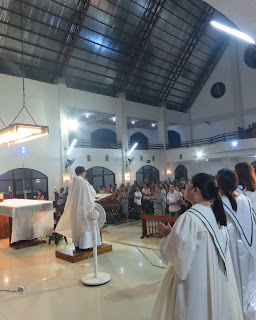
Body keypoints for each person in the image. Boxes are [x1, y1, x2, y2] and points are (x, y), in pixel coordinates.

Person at [152, 173, 243, 320]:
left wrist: (168, 235)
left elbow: (180, 254)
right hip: (216, 279)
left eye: (189, 184)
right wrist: (171, 233)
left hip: (196, 284)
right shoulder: (215, 214)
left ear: (196, 190)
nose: (185, 187)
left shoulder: (190, 217)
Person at [217, 169, 256, 320]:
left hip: (231, 246)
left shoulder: (218, 203)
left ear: (219, 184)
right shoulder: (244, 199)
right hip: (248, 246)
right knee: (248, 281)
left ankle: (235, 311)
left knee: (234, 281)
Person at [55, 166, 101, 251]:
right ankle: (85, 245)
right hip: (84, 209)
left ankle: (77, 244)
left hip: (75, 209)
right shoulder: (84, 182)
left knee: (77, 227)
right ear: (83, 173)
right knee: (85, 226)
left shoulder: (72, 182)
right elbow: (92, 193)